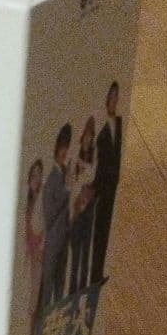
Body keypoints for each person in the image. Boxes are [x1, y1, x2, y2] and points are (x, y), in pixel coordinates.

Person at [91, 81, 123, 283]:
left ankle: (99, 272)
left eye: (115, 97)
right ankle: (95, 273)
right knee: (100, 230)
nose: (113, 100)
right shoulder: (101, 129)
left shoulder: (119, 123)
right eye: (110, 97)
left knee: (107, 229)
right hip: (102, 187)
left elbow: (118, 154)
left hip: (113, 186)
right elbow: (97, 162)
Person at [40, 122, 72, 309]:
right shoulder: (51, 180)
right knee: (48, 287)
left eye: (66, 147)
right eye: (62, 147)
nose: (64, 152)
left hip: (64, 238)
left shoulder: (65, 173)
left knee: (60, 284)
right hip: (53, 241)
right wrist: (66, 189)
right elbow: (49, 215)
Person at [68, 115, 97, 294]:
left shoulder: (92, 159)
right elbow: (72, 182)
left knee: (85, 251)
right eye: (86, 135)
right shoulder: (75, 158)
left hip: (87, 211)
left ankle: (83, 289)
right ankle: (72, 290)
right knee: (75, 253)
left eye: (91, 136)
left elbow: (91, 178)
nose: (88, 138)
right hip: (75, 210)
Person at [24, 158, 44, 335]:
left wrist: (39, 247)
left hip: (38, 257)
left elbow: (43, 228)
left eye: (39, 174)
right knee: (31, 303)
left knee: (35, 303)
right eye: (33, 175)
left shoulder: (41, 201)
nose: (36, 178)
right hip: (28, 258)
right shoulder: (28, 201)